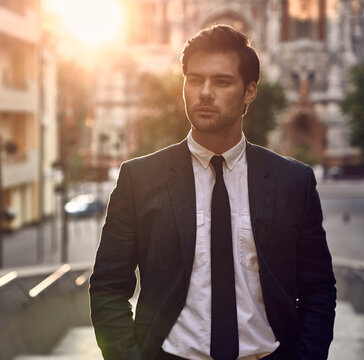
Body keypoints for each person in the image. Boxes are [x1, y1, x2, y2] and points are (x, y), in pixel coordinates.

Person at [89, 25, 336, 360]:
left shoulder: (293, 181)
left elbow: (318, 290)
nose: (204, 92)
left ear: (249, 92)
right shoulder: (139, 179)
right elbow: (107, 288)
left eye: (222, 81)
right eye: (194, 80)